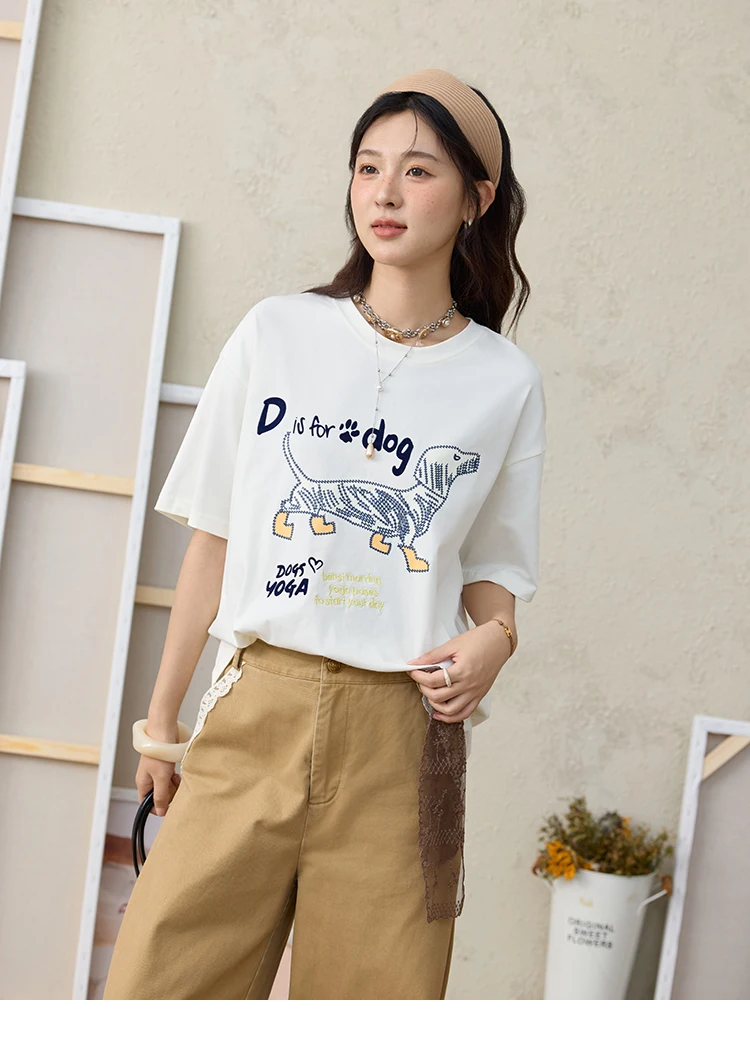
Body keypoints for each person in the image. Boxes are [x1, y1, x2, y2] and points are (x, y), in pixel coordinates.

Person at [103, 67, 546, 1001]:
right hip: (256, 705)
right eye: (367, 167)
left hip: (403, 735)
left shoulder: (503, 381)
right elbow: (216, 539)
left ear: (477, 198)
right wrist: (161, 723)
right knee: (158, 992)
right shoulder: (278, 333)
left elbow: (495, 566)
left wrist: (497, 640)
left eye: (418, 171)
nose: (385, 193)